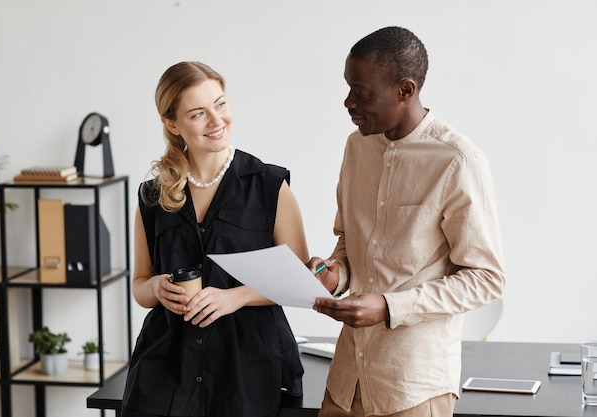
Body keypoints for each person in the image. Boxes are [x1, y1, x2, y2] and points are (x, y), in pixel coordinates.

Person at [308, 27, 505, 417]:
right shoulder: (357, 146)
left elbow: (486, 278)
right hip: (346, 381)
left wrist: (389, 306)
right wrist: (336, 273)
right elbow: (349, 239)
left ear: (405, 90)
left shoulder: (457, 160)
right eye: (348, 88)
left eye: (361, 92)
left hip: (413, 387)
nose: (348, 102)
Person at [121, 61, 309, 417]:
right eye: (198, 113)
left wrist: (234, 298)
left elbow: (299, 278)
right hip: (166, 371)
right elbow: (140, 285)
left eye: (220, 104)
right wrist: (157, 288)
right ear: (172, 124)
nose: (216, 120)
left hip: (247, 372)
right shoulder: (152, 196)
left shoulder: (269, 186)